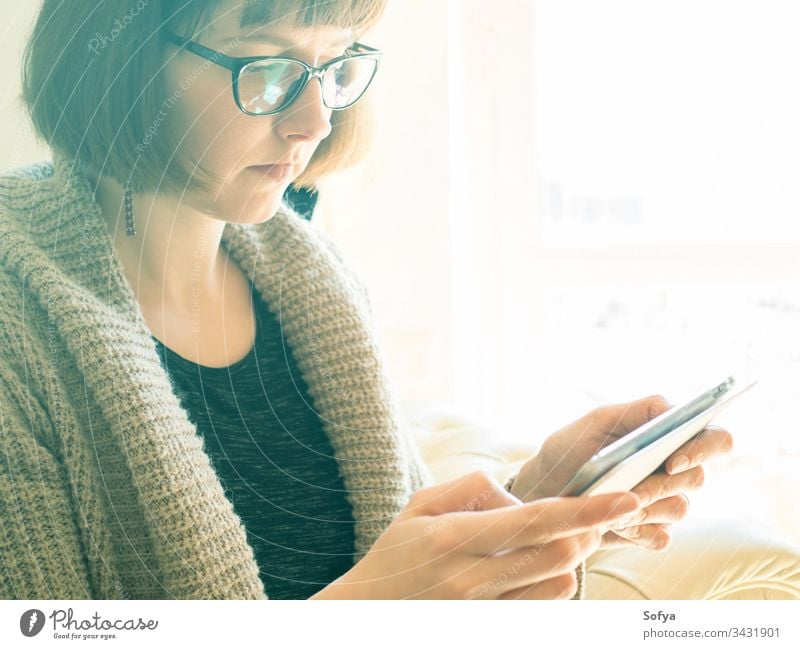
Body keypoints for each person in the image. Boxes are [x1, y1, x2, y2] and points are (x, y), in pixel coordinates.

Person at [0, 0, 733, 600]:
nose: (314, 121)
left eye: (333, 66)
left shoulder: (313, 281)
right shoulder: (16, 312)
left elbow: (385, 566)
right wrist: (369, 613)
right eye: (270, 70)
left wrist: (529, 507)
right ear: (125, 63)